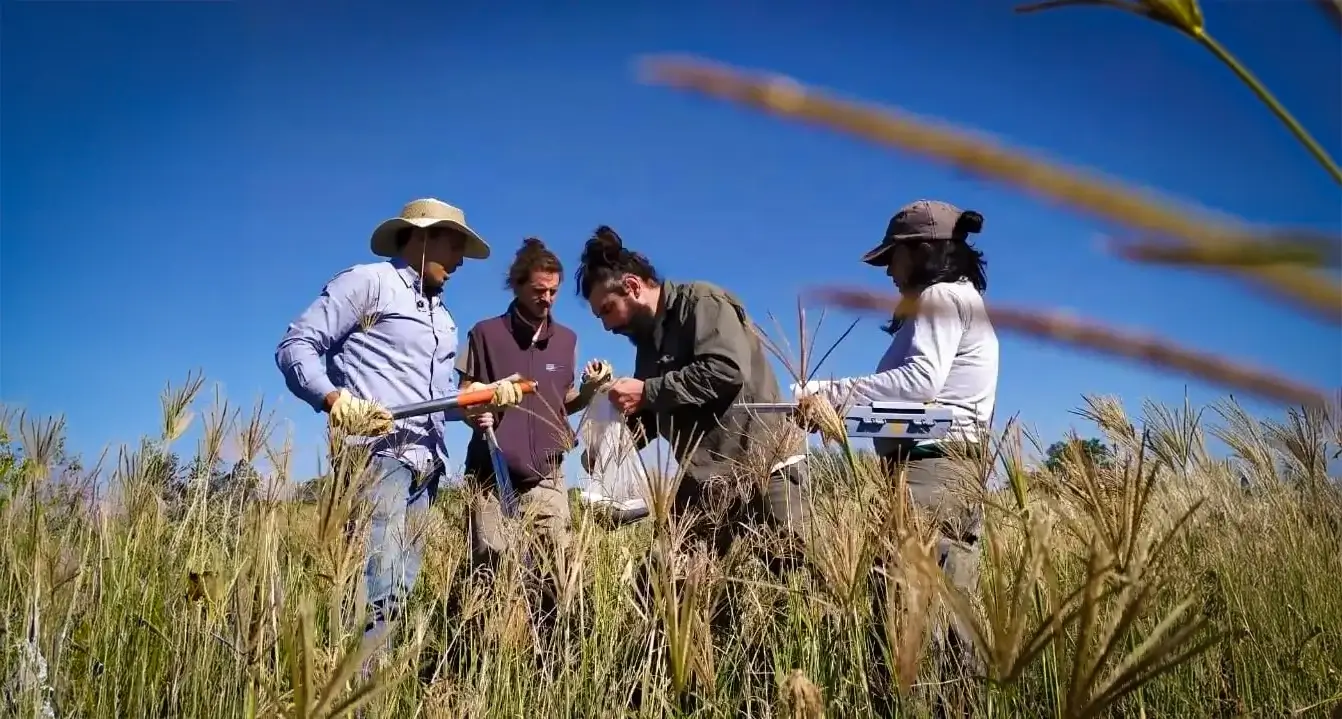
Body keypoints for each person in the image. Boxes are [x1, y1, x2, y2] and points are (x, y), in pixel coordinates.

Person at [274, 197, 530, 639]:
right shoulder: (367, 284)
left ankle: (377, 689)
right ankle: (358, 692)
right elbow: (295, 347)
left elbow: (436, 402)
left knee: (398, 591)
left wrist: (485, 397)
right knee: (376, 591)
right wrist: (336, 401)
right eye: (455, 246)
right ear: (425, 237)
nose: (460, 262)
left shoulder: (442, 318)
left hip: (426, 468)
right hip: (377, 461)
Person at [798, 199, 999, 703]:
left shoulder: (941, 297)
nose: (887, 270)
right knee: (947, 619)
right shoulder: (958, 300)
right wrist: (846, 417)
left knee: (908, 616)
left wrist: (828, 393)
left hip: (931, 474)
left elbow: (918, 382)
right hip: (942, 467)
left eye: (893, 256)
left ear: (922, 250)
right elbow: (930, 402)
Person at [573, 225, 813, 567]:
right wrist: (608, 447)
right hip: (704, 481)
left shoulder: (703, 303)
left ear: (632, 286)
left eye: (608, 310)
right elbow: (654, 414)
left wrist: (648, 390)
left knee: (800, 572)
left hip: (765, 467)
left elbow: (725, 371)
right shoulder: (646, 347)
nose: (607, 327)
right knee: (663, 579)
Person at [455, 237, 612, 569]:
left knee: (555, 569)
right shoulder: (484, 334)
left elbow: (561, 402)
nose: (548, 299)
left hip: (547, 476)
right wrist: (480, 408)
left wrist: (588, 390)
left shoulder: (567, 340)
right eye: (539, 290)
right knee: (493, 573)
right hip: (490, 477)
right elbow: (464, 397)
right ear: (517, 285)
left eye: (554, 291)